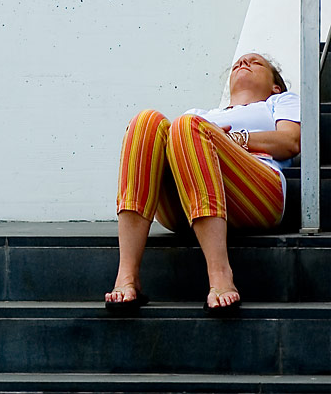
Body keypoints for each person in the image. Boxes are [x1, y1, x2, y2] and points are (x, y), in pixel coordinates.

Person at [104, 52, 301, 314]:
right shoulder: (200, 115)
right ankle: (127, 276)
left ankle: (220, 276)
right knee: (145, 121)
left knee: (188, 126)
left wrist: (234, 139)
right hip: (186, 204)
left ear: (275, 85)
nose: (243, 64)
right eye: (238, 63)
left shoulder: (280, 101)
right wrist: (203, 132)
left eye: (255, 62)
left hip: (256, 193)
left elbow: (290, 142)